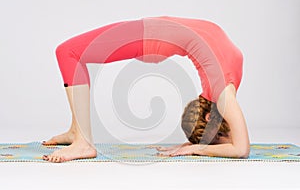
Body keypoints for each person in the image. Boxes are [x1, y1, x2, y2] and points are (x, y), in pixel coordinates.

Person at [42, 16, 250, 163]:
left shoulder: (216, 92)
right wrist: (197, 148)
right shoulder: (223, 97)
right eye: (220, 140)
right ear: (207, 118)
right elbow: (241, 150)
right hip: (151, 34)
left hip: (155, 30)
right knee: (68, 52)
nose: (229, 142)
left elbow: (235, 147)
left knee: (69, 52)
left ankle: (78, 135)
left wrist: (194, 147)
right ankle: (81, 140)